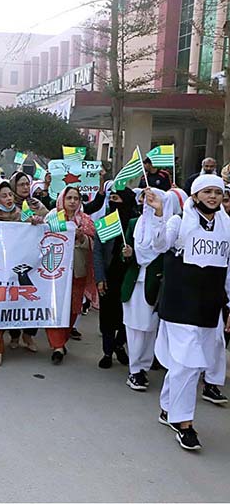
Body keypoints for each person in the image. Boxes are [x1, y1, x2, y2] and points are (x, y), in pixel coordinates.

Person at [145, 176, 230, 450]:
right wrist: (159, 213)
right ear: (195, 195)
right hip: (180, 303)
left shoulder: (227, 226)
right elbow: (158, 245)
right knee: (189, 362)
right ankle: (184, 424)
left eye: (218, 192)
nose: (213, 196)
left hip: (208, 306)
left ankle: (167, 407)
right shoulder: (178, 221)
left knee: (188, 363)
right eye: (207, 191)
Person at [0, 180, 44, 365]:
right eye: (3, 196)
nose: (8, 199)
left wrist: (34, 224)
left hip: (16, 270)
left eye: (10, 195)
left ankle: (25, 336)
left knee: (22, 302)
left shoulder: (21, 216)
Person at [121, 188, 169, 390]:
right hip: (134, 283)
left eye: (152, 199)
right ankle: (135, 370)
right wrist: (128, 254)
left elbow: (163, 249)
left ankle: (143, 368)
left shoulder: (168, 226)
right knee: (133, 328)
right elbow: (126, 257)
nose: (147, 203)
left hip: (153, 284)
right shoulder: (135, 223)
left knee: (149, 328)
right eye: (145, 199)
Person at [46, 186, 96, 365]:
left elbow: (93, 245)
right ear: (62, 200)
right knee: (55, 307)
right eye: (69, 198)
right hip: (55, 272)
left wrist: (82, 238)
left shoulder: (86, 220)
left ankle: (63, 339)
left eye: (76, 198)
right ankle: (57, 345)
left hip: (77, 271)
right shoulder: (52, 218)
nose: (73, 201)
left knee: (73, 309)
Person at [93, 187, 138, 369]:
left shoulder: (137, 223)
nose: (113, 202)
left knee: (126, 316)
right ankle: (107, 351)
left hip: (130, 276)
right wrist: (100, 278)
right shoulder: (106, 222)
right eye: (111, 198)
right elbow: (97, 252)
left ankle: (120, 345)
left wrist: (132, 254)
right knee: (108, 315)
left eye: (117, 198)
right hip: (110, 274)